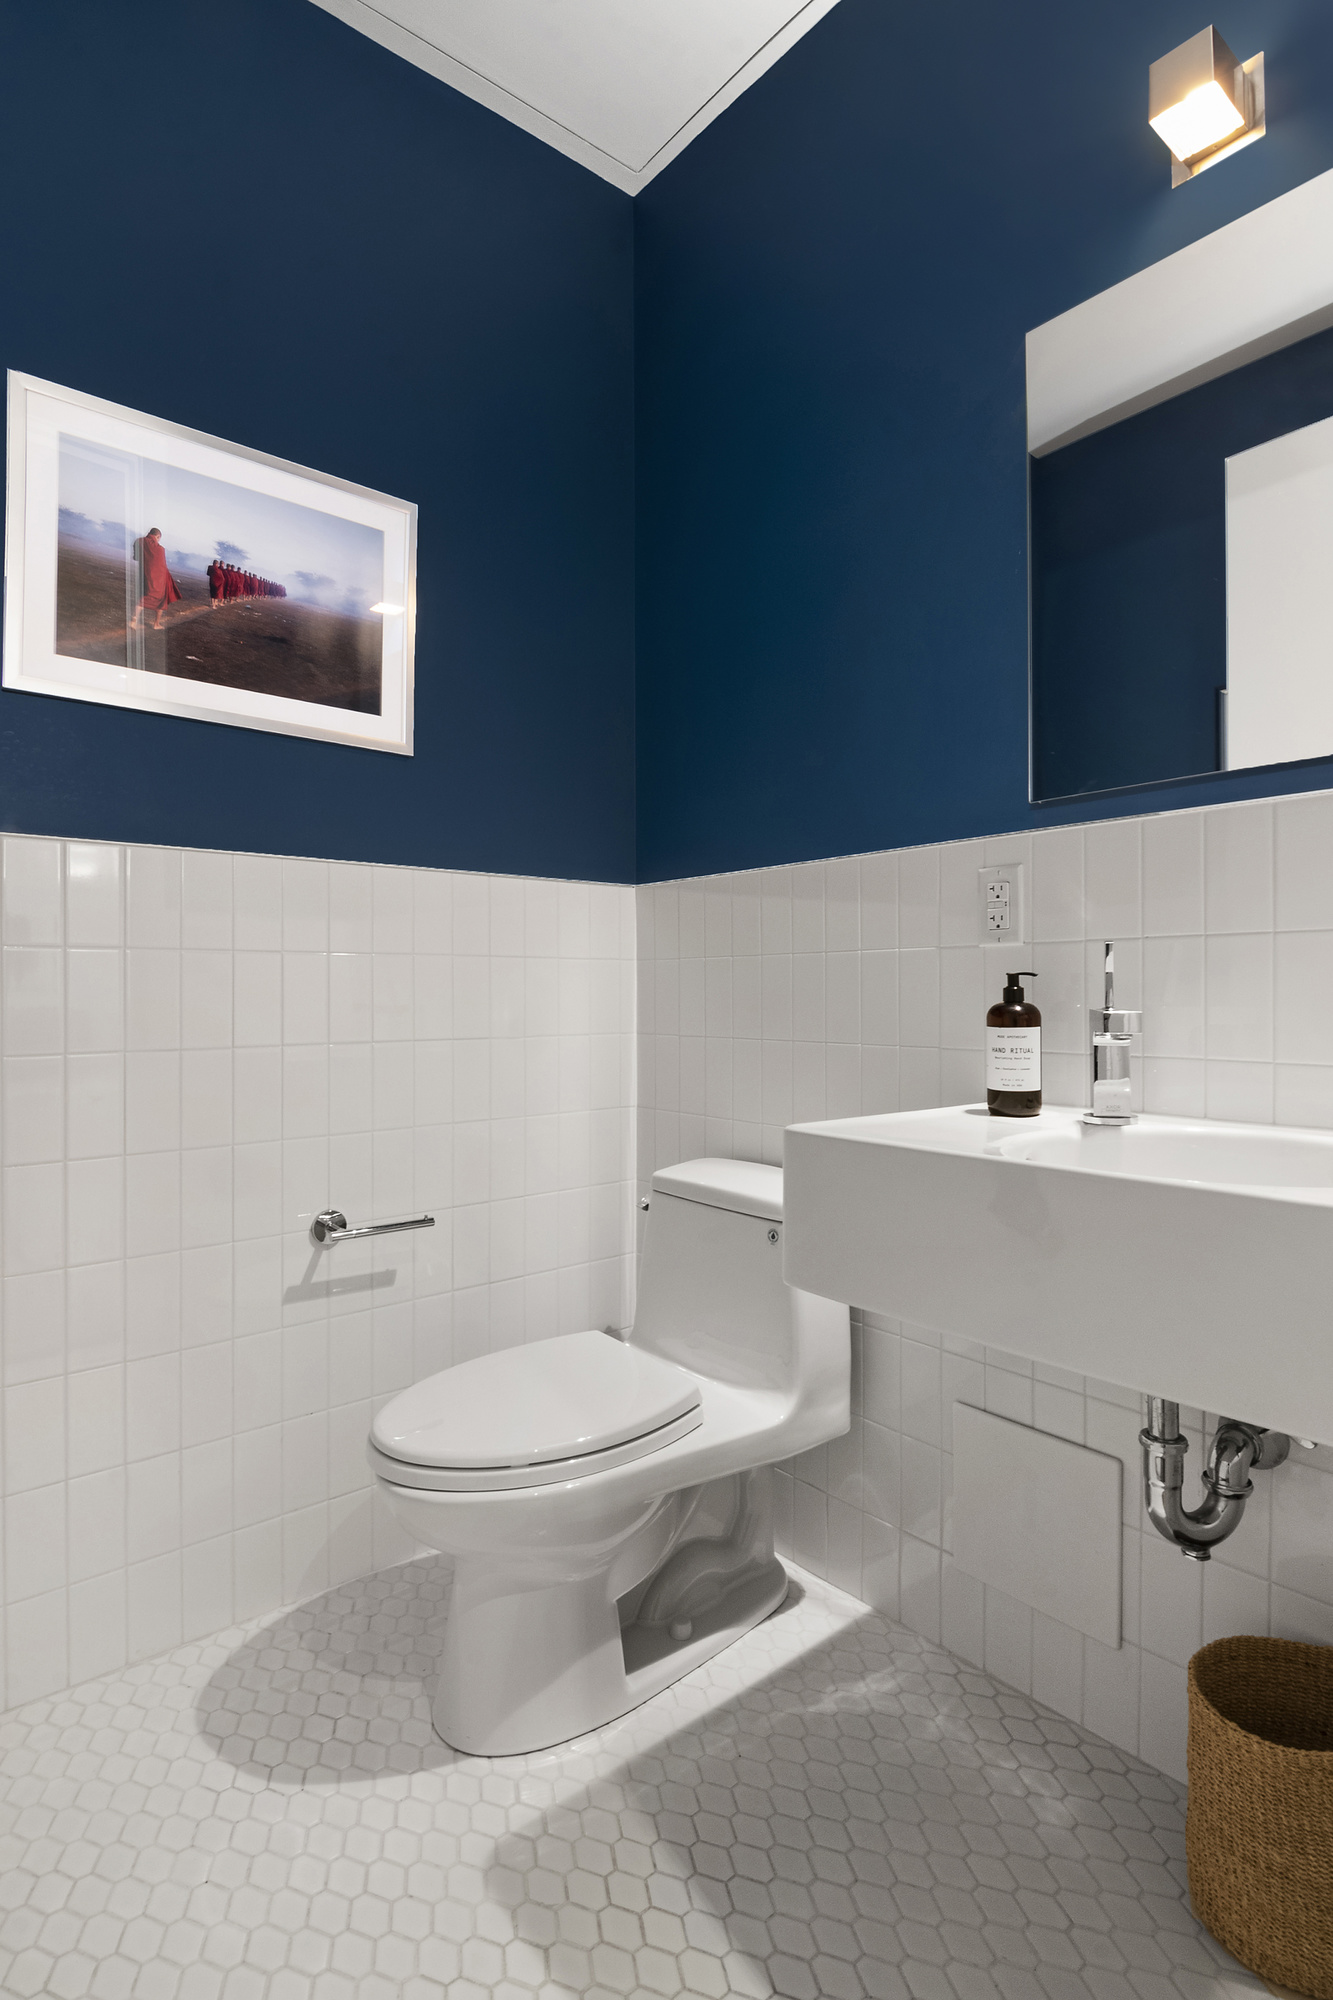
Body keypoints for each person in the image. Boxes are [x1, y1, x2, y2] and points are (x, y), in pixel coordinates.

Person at [130, 529, 181, 632]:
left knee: (145, 597)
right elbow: (161, 565)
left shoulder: (139, 541)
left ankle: (133, 620)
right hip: (159, 579)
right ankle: (156, 624)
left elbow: (136, 557)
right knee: (161, 601)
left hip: (145, 575)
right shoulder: (160, 549)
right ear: (157, 536)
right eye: (159, 539)